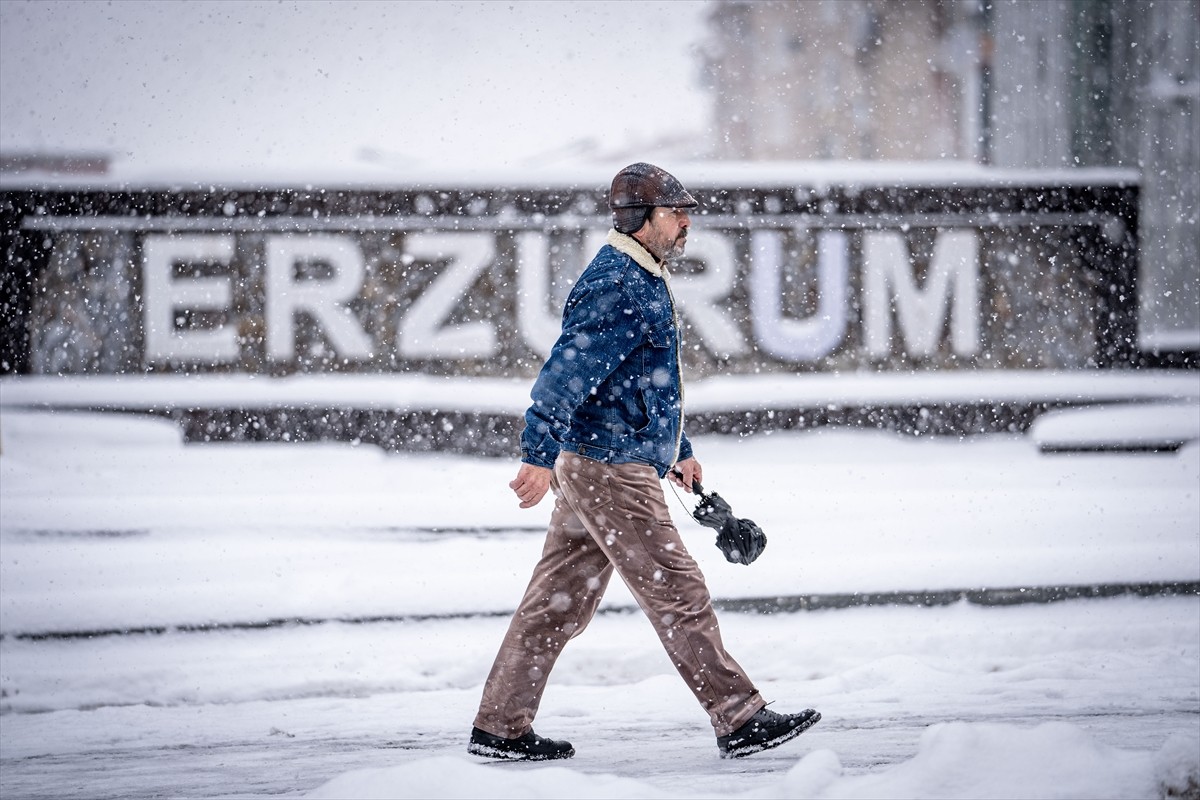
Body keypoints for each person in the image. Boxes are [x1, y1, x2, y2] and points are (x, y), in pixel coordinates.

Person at [467, 163, 820, 761]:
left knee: (556, 603)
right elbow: (566, 373)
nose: (686, 222)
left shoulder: (642, 276)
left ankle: (499, 727)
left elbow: (641, 382)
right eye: (675, 212)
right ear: (639, 219)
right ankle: (739, 717)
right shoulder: (619, 283)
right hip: (608, 468)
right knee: (678, 590)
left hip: (602, 460)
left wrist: (676, 451)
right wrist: (537, 452)